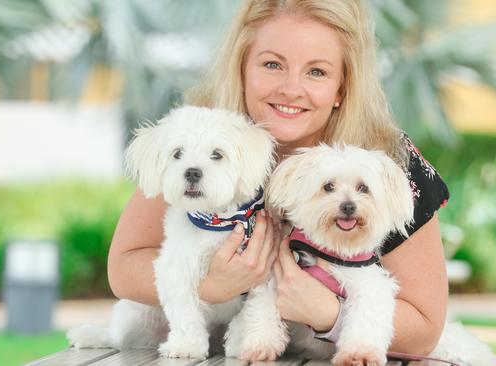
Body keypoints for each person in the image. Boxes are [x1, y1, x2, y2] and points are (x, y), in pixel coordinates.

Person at [107, 0, 450, 356]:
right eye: (272, 64)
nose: (291, 88)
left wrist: (328, 313)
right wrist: (209, 286)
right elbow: (123, 267)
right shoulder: (200, 138)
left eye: (316, 72)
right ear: (241, 68)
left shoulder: (391, 161)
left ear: (342, 86)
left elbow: (425, 327)